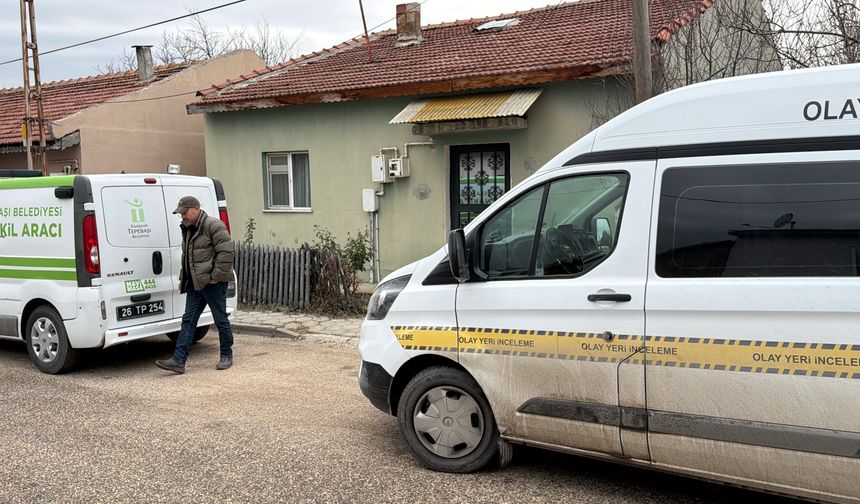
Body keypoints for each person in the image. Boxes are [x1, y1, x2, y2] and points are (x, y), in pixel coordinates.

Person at [156, 196, 234, 374]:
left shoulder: (214, 225)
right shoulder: (187, 228)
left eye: (184, 212)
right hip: (195, 283)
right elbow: (187, 258)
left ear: (196, 208)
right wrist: (184, 279)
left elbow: (226, 253)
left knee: (220, 320)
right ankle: (178, 360)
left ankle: (226, 355)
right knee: (188, 321)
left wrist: (215, 277)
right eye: (180, 213)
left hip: (213, 283)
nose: (182, 216)